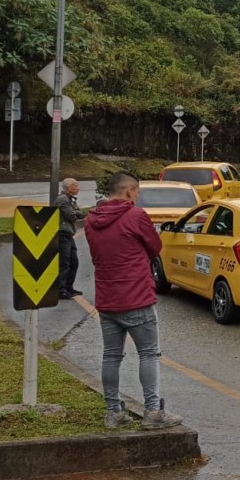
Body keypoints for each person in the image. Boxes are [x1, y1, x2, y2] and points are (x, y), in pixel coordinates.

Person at [84, 172, 182, 430]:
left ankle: (113, 412)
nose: (137, 197)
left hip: (106, 299)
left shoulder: (91, 220)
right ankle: (153, 411)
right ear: (129, 191)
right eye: (137, 192)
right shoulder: (136, 216)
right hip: (137, 296)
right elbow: (156, 246)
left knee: (111, 355)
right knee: (149, 354)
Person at [52, 177, 85, 300]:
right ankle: (61, 289)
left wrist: (76, 213)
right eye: (75, 185)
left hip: (69, 235)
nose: (78, 188)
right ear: (68, 187)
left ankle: (68, 287)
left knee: (73, 262)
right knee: (64, 263)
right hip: (62, 234)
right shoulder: (63, 200)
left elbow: (79, 214)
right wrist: (75, 213)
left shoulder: (70, 200)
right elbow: (71, 216)